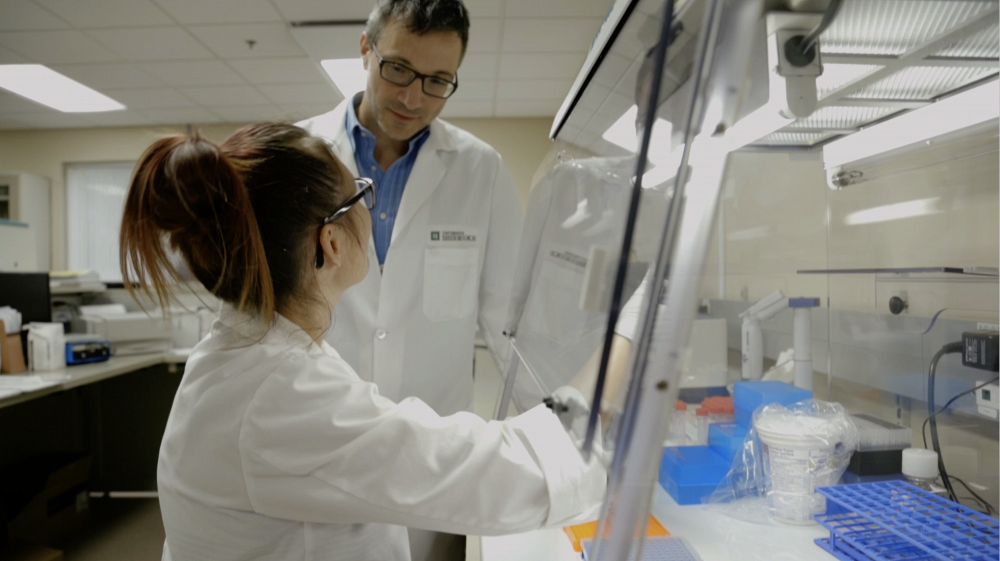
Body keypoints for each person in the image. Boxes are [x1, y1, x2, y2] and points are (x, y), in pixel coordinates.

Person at [120, 123, 609, 561]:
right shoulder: (279, 392)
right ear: (330, 244)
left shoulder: (248, 356)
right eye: (359, 196)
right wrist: (619, 348)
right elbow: (506, 478)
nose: (369, 208)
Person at [296, 0, 521, 419]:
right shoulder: (296, 154)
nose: (413, 98)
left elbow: (508, 321)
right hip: (320, 427)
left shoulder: (480, 169)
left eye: (438, 80)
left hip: (434, 439)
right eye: (398, 68)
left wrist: (560, 429)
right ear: (366, 49)